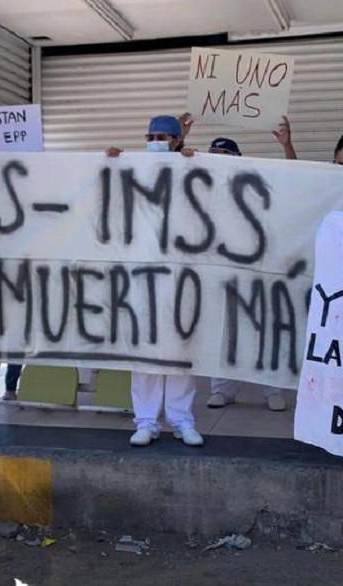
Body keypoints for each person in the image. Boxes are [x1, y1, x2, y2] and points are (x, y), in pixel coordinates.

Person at [107, 115, 203, 447]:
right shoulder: (133, 169)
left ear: (177, 140)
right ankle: (146, 421)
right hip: (142, 276)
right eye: (150, 135)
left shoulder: (191, 167)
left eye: (162, 136)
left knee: (179, 351)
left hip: (180, 277)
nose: (154, 141)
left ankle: (181, 420)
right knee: (145, 351)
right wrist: (111, 166)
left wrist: (193, 164)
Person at [204, 136, 287, 412]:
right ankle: (222, 389)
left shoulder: (257, 180)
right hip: (219, 268)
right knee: (224, 331)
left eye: (225, 152)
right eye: (214, 152)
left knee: (262, 327)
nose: (219, 156)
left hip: (257, 266)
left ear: (239, 156)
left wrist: (287, 144)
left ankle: (271, 389)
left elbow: (296, 184)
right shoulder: (202, 184)